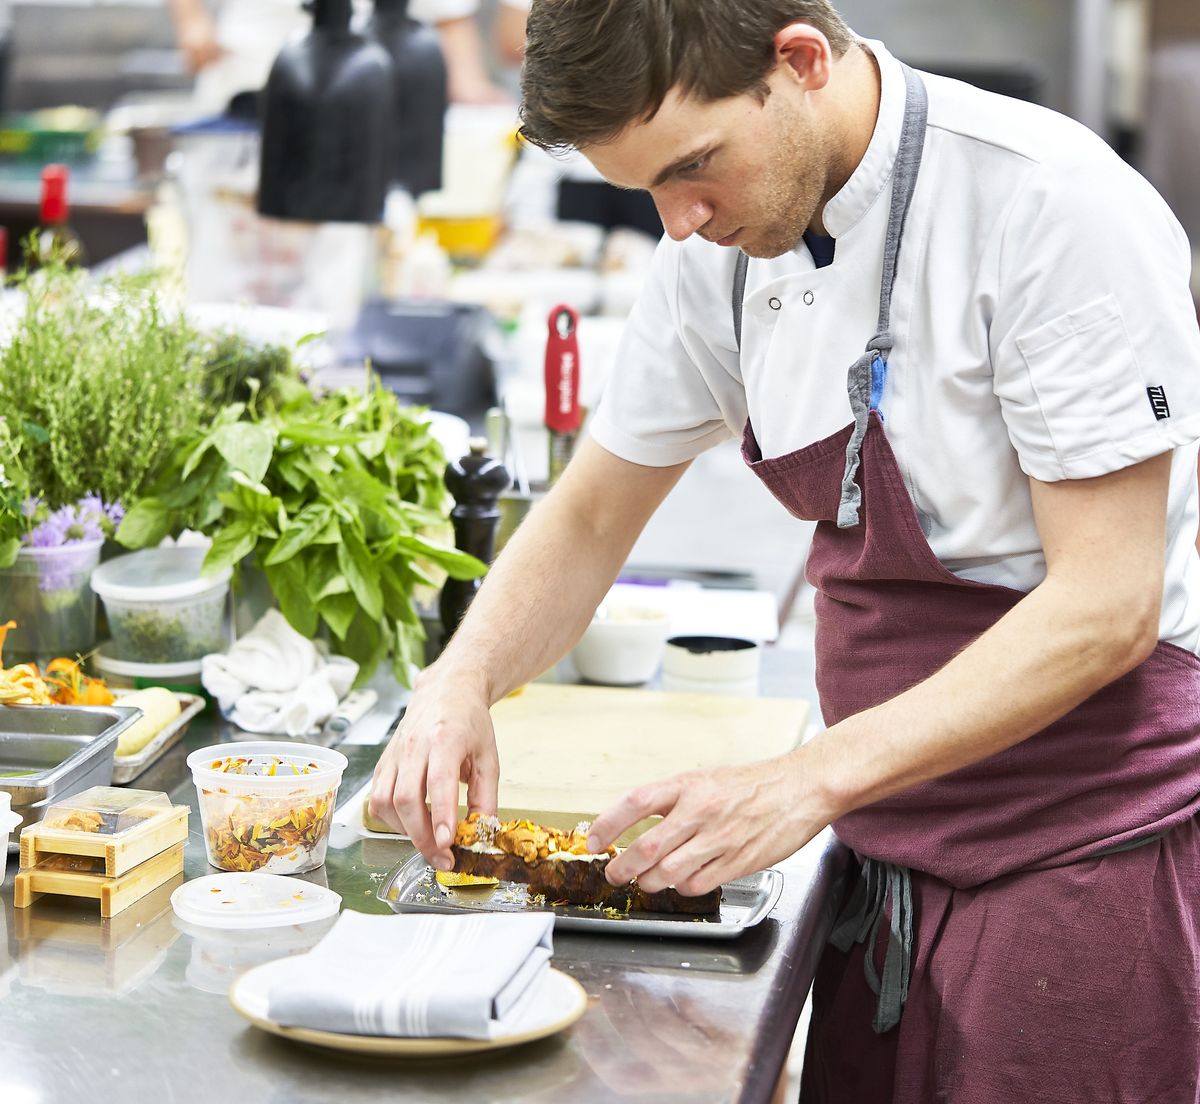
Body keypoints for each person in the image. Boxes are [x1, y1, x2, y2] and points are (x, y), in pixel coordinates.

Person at [369, 1, 1200, 1099]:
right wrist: (458, 680)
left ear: (800, 60)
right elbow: (590, 514)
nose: (679, 220)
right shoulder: (716, 246)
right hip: (885, 843)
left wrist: (801, 782)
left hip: (1078, 856)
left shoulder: (1051, 206)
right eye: (648, 189)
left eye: (694, 166)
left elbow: (1106, 606)